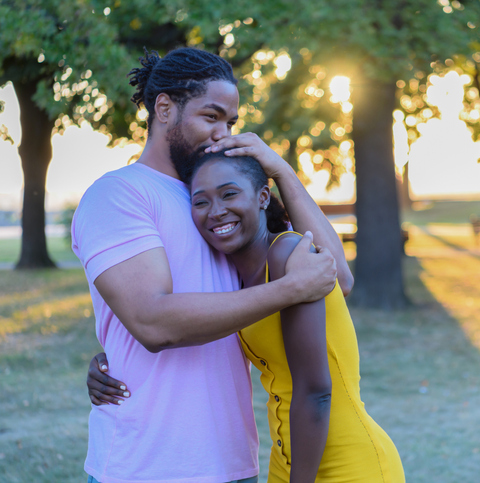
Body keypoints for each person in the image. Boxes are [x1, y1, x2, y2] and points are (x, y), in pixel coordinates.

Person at [73, 47, 352, 483]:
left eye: (231, 123)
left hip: (233, 465)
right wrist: (290, 289)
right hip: (147, 467)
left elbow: (335, 276)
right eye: (211, 117)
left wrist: (280, 170)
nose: (222, 134)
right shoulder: (119, 194)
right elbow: (153, 322)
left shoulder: (216, 201)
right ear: (164, 107)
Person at [94, 151, 406, 482]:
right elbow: (164, 314)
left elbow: (316, 391)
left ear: (262, 197)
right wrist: (107, 359)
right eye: (201, 202)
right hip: (288, 461)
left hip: (348, 464)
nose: (216, 211)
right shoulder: (236, 277)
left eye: (229, 194)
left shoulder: (289, 255)